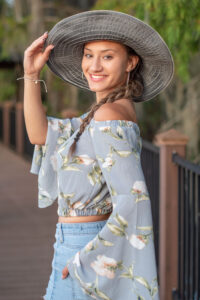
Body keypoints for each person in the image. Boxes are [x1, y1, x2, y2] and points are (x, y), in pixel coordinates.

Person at [22, 10, 174, 300]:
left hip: (84, 246)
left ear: (131, 62)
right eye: (89, 55)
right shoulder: (106, 114)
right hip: (77, 242)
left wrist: (85, 260)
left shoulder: (107, 117)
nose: (94, 65)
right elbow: (39, 135)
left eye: (107, 56)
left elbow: (133, 201)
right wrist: (31, 74)